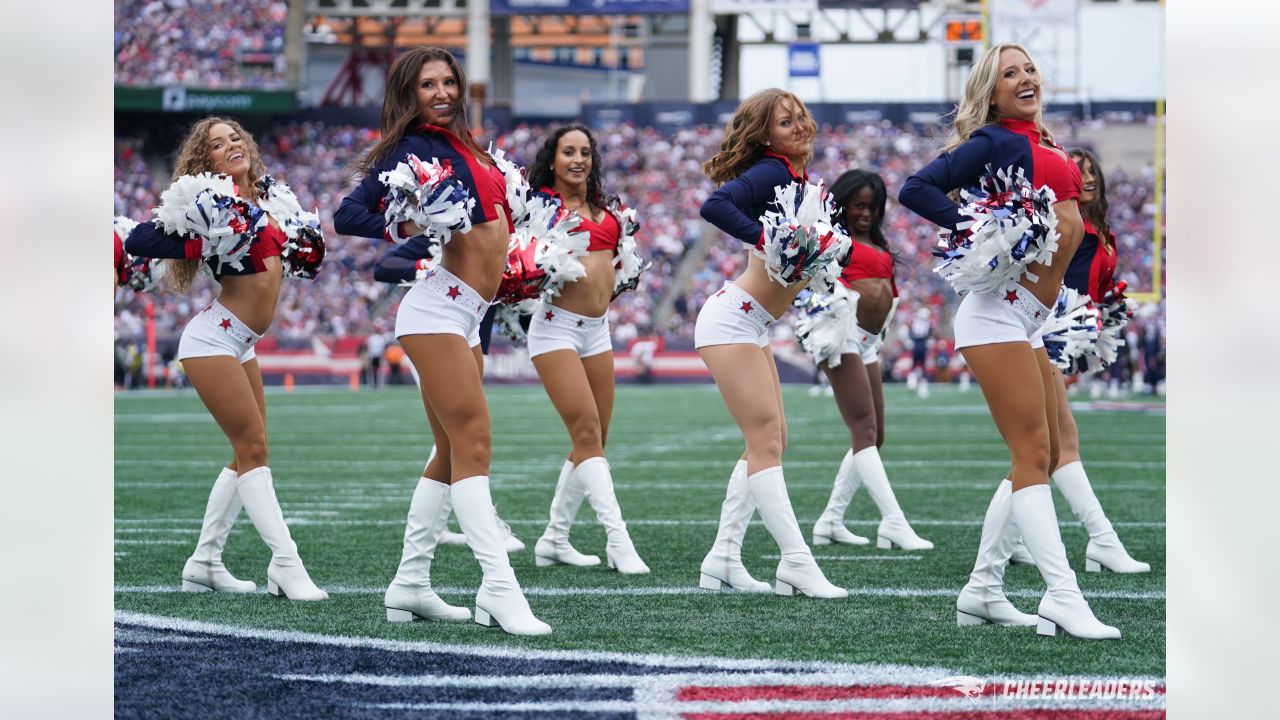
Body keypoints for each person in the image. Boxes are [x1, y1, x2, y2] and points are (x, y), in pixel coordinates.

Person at [898, 43, 1119, 639]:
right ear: (990, 93)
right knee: (1033, 455)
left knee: (1037, 455)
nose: (1024, 78)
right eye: (1009, 74)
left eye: (1028, 69)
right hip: (995, 316)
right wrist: (982, 231)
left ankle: (984, 589)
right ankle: (1062, 596)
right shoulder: (994, 141)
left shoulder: (1047, 142)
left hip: (1029, 318)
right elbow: (916, 188)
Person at [335, 46, 550, 635]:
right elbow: (349, 215)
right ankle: (499, 591)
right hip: (435, 312)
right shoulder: (411, 148)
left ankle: (410, 585)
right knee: (476, 442)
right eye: (427, 84)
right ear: (409, 94)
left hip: (467, 312)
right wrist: (411, 222)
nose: (441, 92)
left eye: (448, 81)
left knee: (451, 452)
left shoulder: (470, 148)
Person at [125, 116, 328, 601]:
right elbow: (139, 241)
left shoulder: (271, 197)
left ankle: (204, 562)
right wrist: (206, 239)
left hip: (242, 342)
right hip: (212, 340)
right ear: (206, 160)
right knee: (253, 449)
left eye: (235, 137)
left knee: (249, 453)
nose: (230, 145)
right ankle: (286, 564)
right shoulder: (210, 202)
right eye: (217, 144)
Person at [695, 88, 847, 599]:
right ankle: (796, 563)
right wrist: (764, 239)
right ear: (765, 135)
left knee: (773, 439)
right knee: (765, 442)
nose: (799, 126)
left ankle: (723, 558)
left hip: (752, 323)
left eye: (801, 116)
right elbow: (715, 204)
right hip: (732, 321)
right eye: (785, 122)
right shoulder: (774, 172)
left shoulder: (799, 179)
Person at [1006, 149, 1150, 574]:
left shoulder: (1100, 230)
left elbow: (1102, 287)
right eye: (1077, 171)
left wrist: (1099, 319)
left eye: (1092, 172)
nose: (1086, 178)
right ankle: (1102, 539)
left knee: (1042, 447)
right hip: (1044, 329)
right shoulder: (1062, 223)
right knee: (1058, 443)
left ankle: (1010, 543)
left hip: (1067, 332)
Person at [523, 125, 649, 574]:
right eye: (568, 152)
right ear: (552, 159)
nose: (578, 159)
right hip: (555, 330)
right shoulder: (538, 207)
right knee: (586, 434)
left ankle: (554, 539)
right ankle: (619, 540)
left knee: (595, 440)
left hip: (598, 330)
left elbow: (614, 270)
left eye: (585, 152)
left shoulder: (606, 210)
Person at [808, 169, 933, 552]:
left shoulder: (876, 242)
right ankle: (894, 523)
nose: (865, 213)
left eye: (872, 207)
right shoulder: (833, 240)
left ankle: (830, 521)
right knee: (863, 431)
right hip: (840, 337)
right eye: (858, 205)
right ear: (842, 203)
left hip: (867, 343)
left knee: (875, 436)